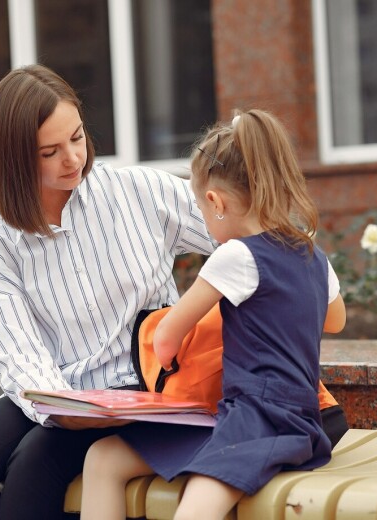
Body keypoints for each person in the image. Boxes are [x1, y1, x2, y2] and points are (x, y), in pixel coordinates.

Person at [0, 64, 216, 520]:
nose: (73, 159)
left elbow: (241, 238)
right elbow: (16, 354)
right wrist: (62, 409)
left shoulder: (136, 191)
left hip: (147, 383)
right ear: (13, 157)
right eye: (50, 151)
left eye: (78, 138)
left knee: (35, 463)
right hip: (60, 390)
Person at [80, 109, 347, 520]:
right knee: (104, 457)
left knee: (186, 506)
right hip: (298, 424)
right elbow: (336, 321)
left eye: (203, 213)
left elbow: (167, 337)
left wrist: (168, 362)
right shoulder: (313, 254)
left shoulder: (235, 256)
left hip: (252, 424)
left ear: (215, 202)